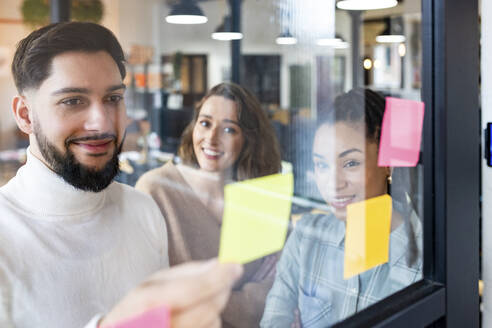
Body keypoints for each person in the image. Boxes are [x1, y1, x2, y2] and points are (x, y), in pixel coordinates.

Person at [0, 21, 242, 328]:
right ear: (25, 115)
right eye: (72, 101)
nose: (101, 123)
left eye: (113, 98)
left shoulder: (142, 210)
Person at [260, 88, 422, 327]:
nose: (334, 184)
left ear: (387, 164)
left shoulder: (423, 258)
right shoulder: (307, 237)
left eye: (350, 163)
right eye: (322, 165)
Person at [136, 82, 282, 327]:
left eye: (229, 129)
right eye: (205, 123)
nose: (212, 139)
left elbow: (271, 296)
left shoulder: (259, 199)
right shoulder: (156, 189)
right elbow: (152, 294)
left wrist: (199, 298)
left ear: (248, 139)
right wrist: (242, 303)